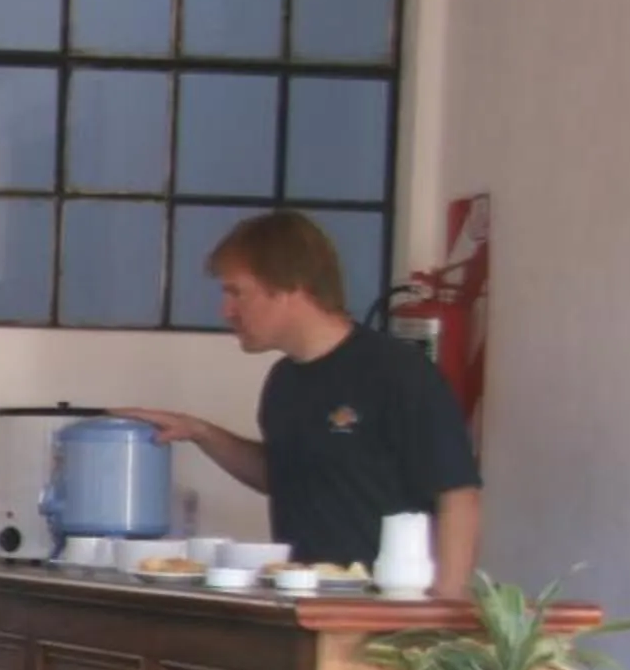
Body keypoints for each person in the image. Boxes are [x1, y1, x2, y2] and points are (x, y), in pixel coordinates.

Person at [119, 210, 482, 593]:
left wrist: (440, 613)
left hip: (383, 609)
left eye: (236, 292)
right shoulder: (283, 381)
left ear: (289, 286)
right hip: (304, 604)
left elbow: (458, 496)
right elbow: (284, 477)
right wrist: (201, 433)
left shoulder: (396, 373)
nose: (226, 310)